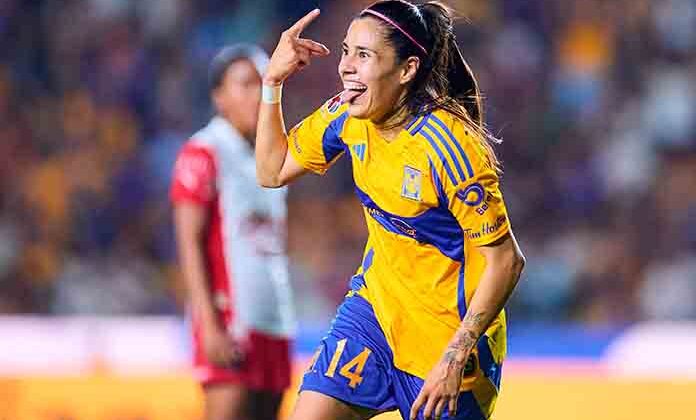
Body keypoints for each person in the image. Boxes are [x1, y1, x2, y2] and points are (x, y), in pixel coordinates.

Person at [257, 1, 525, 419]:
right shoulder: (347, 114)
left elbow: (506, 261)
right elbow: (272, 170)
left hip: (445, 340)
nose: (346, 67)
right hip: (374, 315)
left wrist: (455, 356)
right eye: (346, 51)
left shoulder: (449, 146)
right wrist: (272, 82)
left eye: (364, 55)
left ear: (406, 70)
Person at [171, 44, 294, 420]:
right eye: (245, 84)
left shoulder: (273, 156)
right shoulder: (204, 151)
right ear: (219, 97)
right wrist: (209, 326)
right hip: (230, 321)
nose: (257, 94)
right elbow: (189, 242)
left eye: (264, 84)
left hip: (273, 320)